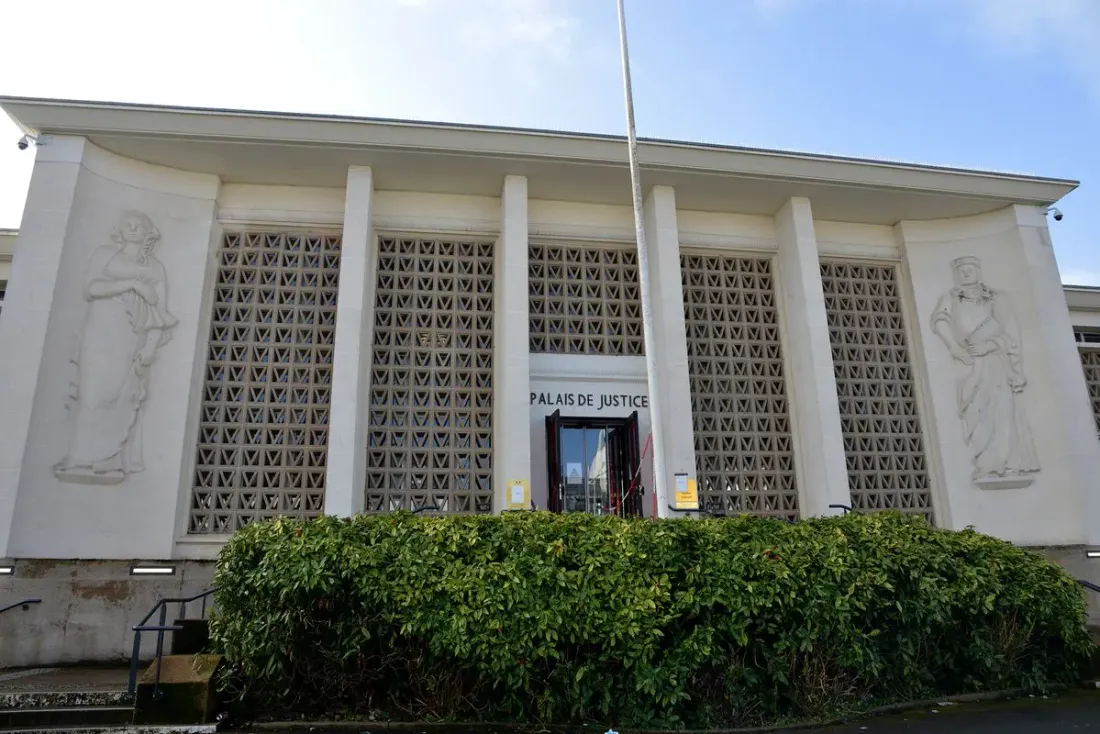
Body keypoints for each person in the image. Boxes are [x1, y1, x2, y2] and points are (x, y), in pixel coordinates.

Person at [54, 211, 177, 484]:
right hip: (100, 333)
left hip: (130, 336)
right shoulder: (103, 255)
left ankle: (108, 458)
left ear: (148, 233)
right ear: (119, 231)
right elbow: (92, 288)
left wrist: (150, 346)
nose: (133, 229)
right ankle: (80, 457)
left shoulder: (155, 267)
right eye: (128, 225)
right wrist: (133, 284)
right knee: (92, 393)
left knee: (119, 393)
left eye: (139, 226)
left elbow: (161, 311)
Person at [930, 256, 1039, 482]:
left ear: (978, 271)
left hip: (995, 364)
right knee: (975, 409)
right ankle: (986, 462)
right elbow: (940, 320)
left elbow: (1010, 332)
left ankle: (1007, 463)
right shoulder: (950, 298)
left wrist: (989, 346)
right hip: (970, 363)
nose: (966, 274)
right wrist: (954, 348)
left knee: (1002, 411)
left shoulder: (997, 298)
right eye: (962, 271)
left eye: (970, 269)